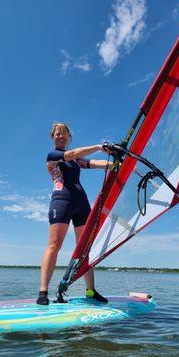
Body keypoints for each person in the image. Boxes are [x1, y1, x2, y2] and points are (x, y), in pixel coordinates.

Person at [37, 122, 113, 305]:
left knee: (85, 248)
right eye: (57, 134)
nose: (60, 136)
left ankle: (90, 291)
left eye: (63, 134)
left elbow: (94, 163)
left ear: (69, 137)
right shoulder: (53, 155)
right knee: (54, 245)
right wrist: (98, 146)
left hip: (81, 203)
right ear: (52, 137)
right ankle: (43, 292)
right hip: (61, 201)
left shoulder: (75, 161)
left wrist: (117, 164)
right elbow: (73, 154)